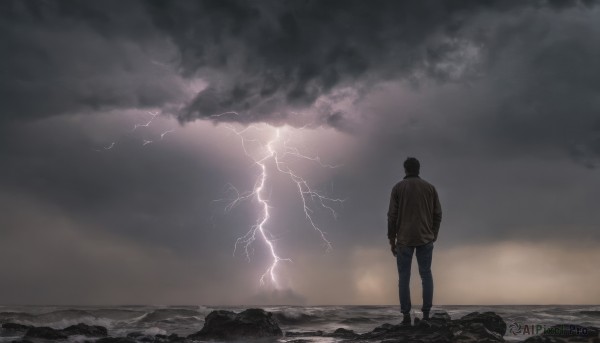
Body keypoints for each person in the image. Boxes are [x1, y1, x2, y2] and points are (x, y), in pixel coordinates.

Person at [387, 157, 442, 325]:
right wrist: (434, 234)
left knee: (404, 278)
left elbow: (392, 216)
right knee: (426, 274)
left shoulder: (397, 188)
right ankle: (426, 315)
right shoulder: (430, 188)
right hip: (426, 237)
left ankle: (406, 316)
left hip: (404, 238)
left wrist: (392, 239)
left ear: (405, 169)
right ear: (418, 169)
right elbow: (438, 214)